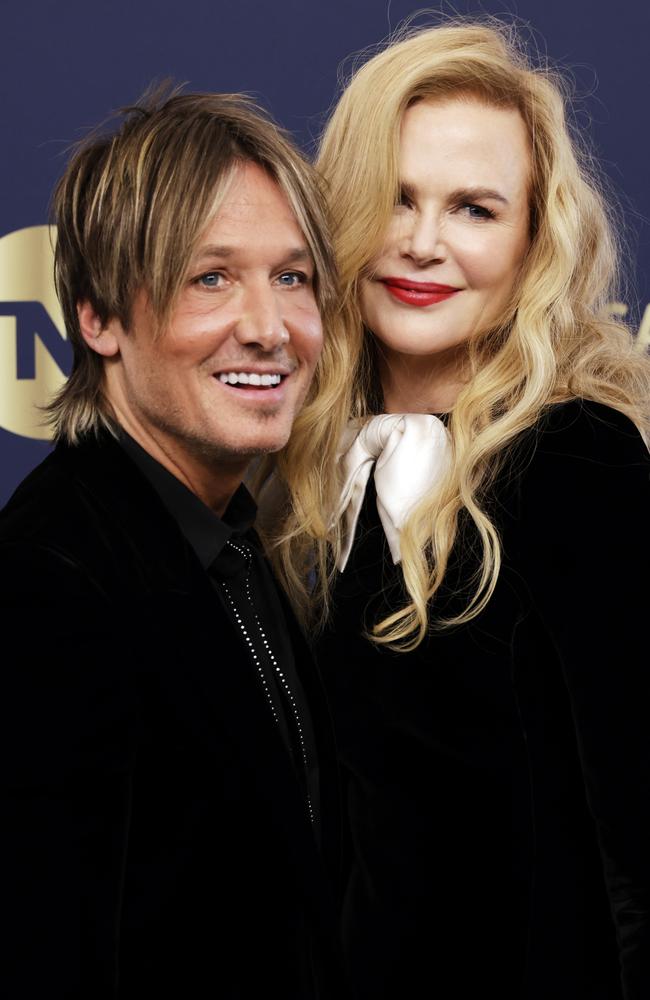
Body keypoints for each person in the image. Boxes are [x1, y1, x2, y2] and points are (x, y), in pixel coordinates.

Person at [258, 21, 650, 1000]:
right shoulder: (301, 485)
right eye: (393, 198)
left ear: (530, 245)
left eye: (471, 208)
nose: (420, 243)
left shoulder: (576, 465)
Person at [0, 88, 346, 999]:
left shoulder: (231, 545)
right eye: (210, 278)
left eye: (293, 277)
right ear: (98, 317)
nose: (270, 329)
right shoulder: (48, 586)